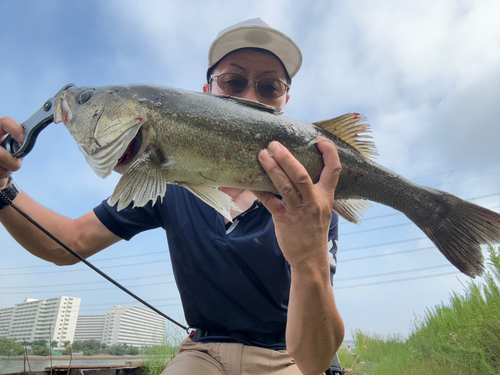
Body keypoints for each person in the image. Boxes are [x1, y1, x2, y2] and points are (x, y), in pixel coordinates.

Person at [0, 18, 344, 375]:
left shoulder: (313, 202)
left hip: (287, 354)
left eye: (270, 86)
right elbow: (69, 241)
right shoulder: (165, 183)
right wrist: (2, 188)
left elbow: (314, 360)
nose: (249, 97)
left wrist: (309, 259)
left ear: (284, 100)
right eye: (233, 82)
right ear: (206, 91)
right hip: (202, 352)